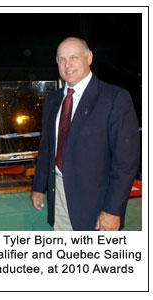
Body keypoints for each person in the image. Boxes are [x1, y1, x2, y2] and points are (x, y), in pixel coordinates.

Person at [30, 37, 140, 231]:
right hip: (59, 196)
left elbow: (125, 162)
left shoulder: (115, 98)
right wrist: (39, 187)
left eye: (74, 57)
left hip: (97, 204)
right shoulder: (52, 100)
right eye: (62, 59)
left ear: (89, 57)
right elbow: (47, 148)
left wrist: (113, 210)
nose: (67, 65)